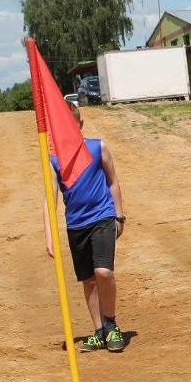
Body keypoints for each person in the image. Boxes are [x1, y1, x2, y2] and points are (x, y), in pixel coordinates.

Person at [43, 101, 126, 353]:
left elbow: (113, 181)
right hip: (76, 224)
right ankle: (99, 330)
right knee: (89, 280)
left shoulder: (98, 147)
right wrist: (49, 236)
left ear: (80, 125)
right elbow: (49, 199)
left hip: (102, 217)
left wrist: (119, 216)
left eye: (71, 125)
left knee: (103, 272)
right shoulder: (54, 161)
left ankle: (111, 324)